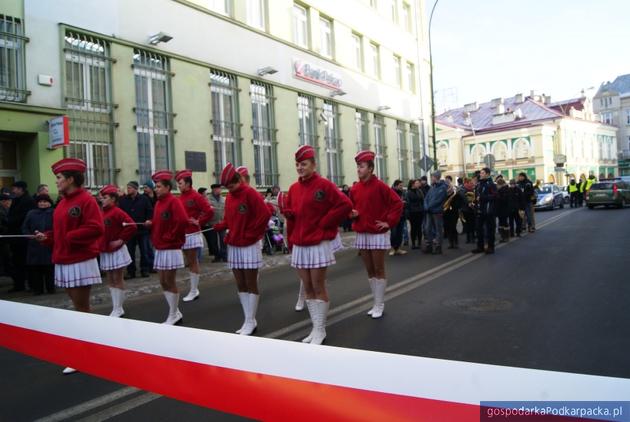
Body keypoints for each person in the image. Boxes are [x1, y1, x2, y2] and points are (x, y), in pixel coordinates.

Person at [34, 158, 104, 375]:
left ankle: (86, 354)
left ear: (71, 179)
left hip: (80, 260)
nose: (56, 182)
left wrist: (69, 237)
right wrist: (46, 238)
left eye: (59, 178)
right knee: (78, 309)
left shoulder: (86, 200)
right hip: (64, 258)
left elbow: (96, 228)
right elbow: (60, 232)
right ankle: (91, 347)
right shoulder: (62, 202)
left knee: (81, 310)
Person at [283, 146, 352, 344]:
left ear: (314, 164)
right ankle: (315, 328)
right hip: (300, 243)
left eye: (303, 164)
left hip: (317, 243)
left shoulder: (324, 185)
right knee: (307, 289)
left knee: (318, 286)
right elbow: (294, 216)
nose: (300, 168)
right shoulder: (294, 189)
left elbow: (345, 204)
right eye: (297, 164)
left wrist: (325, 222)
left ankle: (320, 330)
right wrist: (291, 229)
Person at [213, 163, 271, 336]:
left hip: (249, 244)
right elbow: (231, 219)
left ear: (238, 180)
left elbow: (264, 215)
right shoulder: (230, 196)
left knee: (250, 282)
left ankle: (251, 319)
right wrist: (221, 225)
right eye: (226, 187)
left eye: (231, 185)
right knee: (240, 283)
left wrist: (249, 234)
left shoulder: (250, 193)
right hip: (234, 244)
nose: (229, 190)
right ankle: (248, 319)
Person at [350, 150, 403, 320]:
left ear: (370, 168)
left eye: (362, 166)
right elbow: (351, 207)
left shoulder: (380, 186)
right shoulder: (355, 188)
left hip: (377, 233)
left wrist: (389, 222)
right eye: (357, 166)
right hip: (362, 232)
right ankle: (375, 302)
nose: (358, 169)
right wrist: (351, 214)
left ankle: (380, 304)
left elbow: (397, 203)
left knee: (379, 269)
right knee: (369, 270)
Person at [146, 170, 188, 325]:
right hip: (160, 246)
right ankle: (174, 311)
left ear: (167, 187)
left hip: (170, 247)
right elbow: (161, 222)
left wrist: (170, 237)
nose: (155, 189)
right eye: (155, 186)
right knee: (162, 281)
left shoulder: (173, 201)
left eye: (158, 186)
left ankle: (173, 314)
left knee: (169, 281)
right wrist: (152, 224)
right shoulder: (158, 203)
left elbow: (182, 221)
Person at [175, 169, 214, 302]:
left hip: (192, 233)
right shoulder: (180, 198)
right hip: (183, 233)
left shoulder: (196, 196)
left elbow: (209, 211)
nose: (178, 186)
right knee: (189, 261)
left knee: (192, 261)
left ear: (187, 183)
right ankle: (193, 289)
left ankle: (194, 290)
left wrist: (199, 221)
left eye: (180, 183)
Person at [98, 185, 137, 317]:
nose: (102, 200)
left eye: (105, 197)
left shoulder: (117, 212)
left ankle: (119, 308)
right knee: (110, 279)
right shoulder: (101, 212)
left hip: (116, 249)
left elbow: (131, 225)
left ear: (113, 199)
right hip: (105, 249)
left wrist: (121, 240)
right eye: (101, 198)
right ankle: (115, 306)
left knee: (117, 278)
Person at [119, 181, 154, 278]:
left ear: (135, 189)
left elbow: (150, 211)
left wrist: (148, 220)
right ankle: (131, 271)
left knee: (144, 251)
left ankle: (144, 270)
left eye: (130, 188)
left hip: (142, 230)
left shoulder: (144, 199)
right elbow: (120, 213)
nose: (128, 190)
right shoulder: (123, 200)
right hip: (130, 230)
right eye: (127, 188)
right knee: (130, 251)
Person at [22, 194, 55, 295]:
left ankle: (51, 288)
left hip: (49, 245)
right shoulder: (31, 213)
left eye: (45, 202)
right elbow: (25, 227)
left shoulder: (53, 213)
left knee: (49, 268)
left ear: (49, 203)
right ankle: (38, 289)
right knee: (36, 269)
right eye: (40, 202)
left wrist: (49, 237)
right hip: (34, 245)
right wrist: (29, 235)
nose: (42, 203)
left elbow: (57, 228)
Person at [8, 181, 36, 292]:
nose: (13, 191)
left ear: (21, 189)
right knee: (17, 261)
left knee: (26, 261)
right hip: (15, 237)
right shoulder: (16, 200)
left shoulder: (28, 201)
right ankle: (19, 285)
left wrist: (10, 221)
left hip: (23, 236)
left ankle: (31, 284)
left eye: (15, 188)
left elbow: (23, 218)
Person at [472, 167, 497, 254]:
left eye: (482, 173)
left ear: (487, 174)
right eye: (481, 173)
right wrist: (474, 202)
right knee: (479, 229)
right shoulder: (479, 184)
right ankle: (480, 246)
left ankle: (490, 247)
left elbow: (494, 196)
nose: (480, 174)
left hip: (488, 210)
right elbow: (477, 196)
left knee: (490, 230)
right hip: (479, 210)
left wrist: (482, 197)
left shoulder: (491, 184)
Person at [423, 171, 448, 254]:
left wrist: (429, 206)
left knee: (438, 229)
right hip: (429, 211)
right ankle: (429, 245)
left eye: (432, 177)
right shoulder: (432, 187)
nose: (431, 178)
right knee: (427, 229)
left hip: (437, 211)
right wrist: (426, 206)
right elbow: (426, 198)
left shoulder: (443, 187)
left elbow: (439, 200)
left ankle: (438, 247)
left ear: (436, 177)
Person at [207, 183, 227, 262]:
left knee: (224, 240)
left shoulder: (223, 198)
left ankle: (224, 255)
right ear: (214, 189)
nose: (220, 190)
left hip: (222, 223)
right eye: (219, 189)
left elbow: (225, 210)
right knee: (213, 242)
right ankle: (217, 256)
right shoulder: (208, 198)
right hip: (212, 223)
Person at [443, 175, 463, 249]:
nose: (448, 187)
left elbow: (460, 201)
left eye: (449, 183)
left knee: (453, 227)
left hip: (453, 212)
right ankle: (450, 242)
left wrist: (455, 205)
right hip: (446, 212)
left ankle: (455, 242)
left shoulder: (455, 193)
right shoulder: (444, 193)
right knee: (448, 227)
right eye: (447, 185)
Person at [389, 180, 407, 256]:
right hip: (393, 216)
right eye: (400, 185)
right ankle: (393, 248)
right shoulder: (391, 192)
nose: (401, 187)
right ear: (396, 185)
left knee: (400, 232)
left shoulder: (403, 193)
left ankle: (398, 248)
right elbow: (389, 204)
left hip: (401, 215)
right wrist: (399, 203)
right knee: (394, 233)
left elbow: (406, 201)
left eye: (402, 185)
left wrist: (404, 203)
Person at [405, 179, 424, 249]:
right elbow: (407, 204)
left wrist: (422, 209)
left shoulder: (419, 191)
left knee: (419, 228)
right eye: (416, 183)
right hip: (412, 212)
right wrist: (408, 214)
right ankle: (413, 243)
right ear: (413, 184)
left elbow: (422, 200)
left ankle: (419, 243)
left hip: (419, 212)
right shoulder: (408, 192)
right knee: (413, 228)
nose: (418, 184)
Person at [0, 192, 13, 280]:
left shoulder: (5, 209)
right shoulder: (2, 211)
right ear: (3, 201)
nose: (10, 202)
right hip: (2, 238)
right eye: (8, 200)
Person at [461, 178, 476, 244]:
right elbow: (463, 198)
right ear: (466, 183)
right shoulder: (463, 190)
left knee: (472, 224)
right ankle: (468, 238)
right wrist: (468, 202)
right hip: (465, 209)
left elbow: (475, 198)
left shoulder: (472, 189)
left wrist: (473, 203)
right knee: (467, 224)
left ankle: (472, 238)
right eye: (470, 183)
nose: (472, 184)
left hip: (472, 209)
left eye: (472, 183)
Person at [495, 178, 510, 243]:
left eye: (497, 185)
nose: (497, 186)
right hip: (500, 209)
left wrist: (497, 196)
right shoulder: (501, 190)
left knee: (504, 223)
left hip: (504, 209)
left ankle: (506, 237)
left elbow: (504, 200)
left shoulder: (504, 190)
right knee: (501, 223)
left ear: (500, 184)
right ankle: (503, 237)